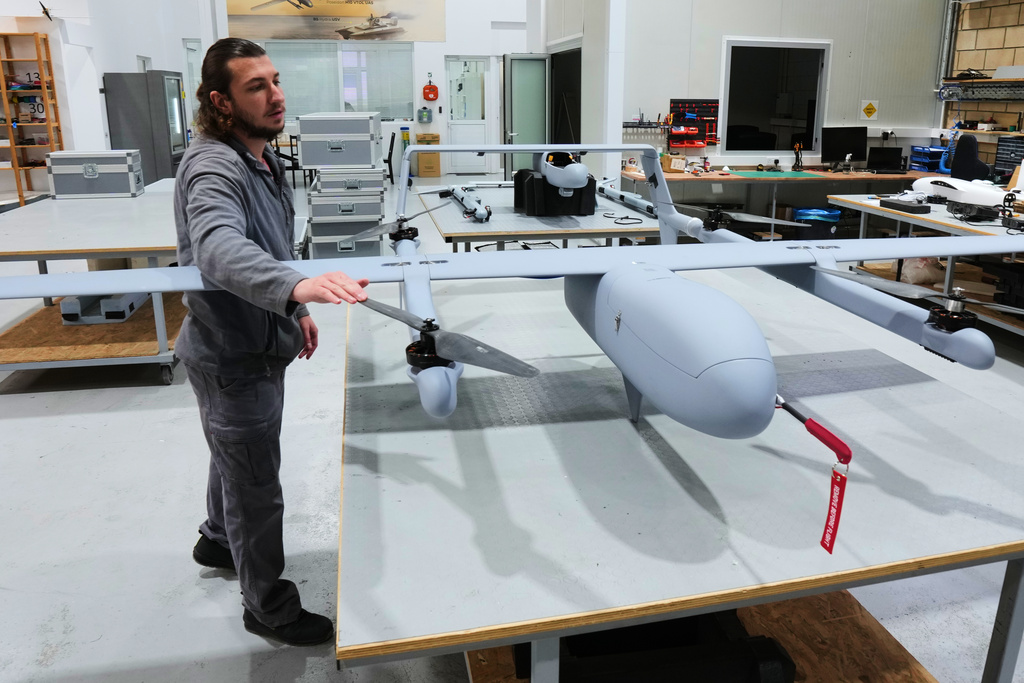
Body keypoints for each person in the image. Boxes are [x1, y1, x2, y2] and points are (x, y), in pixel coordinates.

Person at [174, 37, 368, 646]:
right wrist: (297, 285)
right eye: (256, 86)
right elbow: (219, 247)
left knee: (232, 453)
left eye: (275, 80)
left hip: (247, 339)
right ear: (220, 102)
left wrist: (292, 307)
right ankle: (268, 605)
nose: (276, 94)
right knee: (256, 483)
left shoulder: (260, 155)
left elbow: (269, 247)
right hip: (234, 355)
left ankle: (215, 540)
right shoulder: (214, 165)